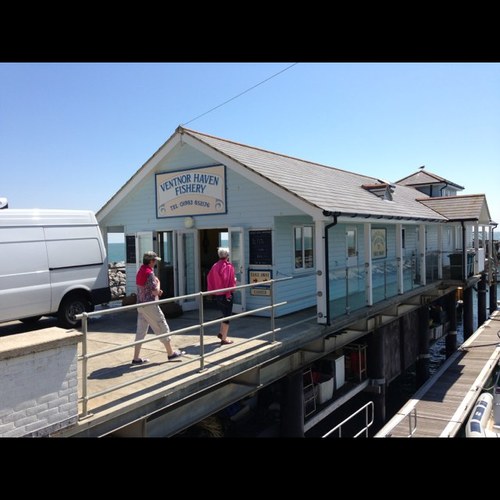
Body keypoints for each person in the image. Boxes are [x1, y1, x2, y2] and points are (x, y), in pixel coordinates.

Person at [132, 251, 185, 364]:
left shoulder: (140, 271)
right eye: (155, 260)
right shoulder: (149, 273)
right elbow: (155, 291)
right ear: (151, 261)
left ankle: (136, 358)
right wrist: (159, 283)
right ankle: (171, 353)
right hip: (150, 305)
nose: (156, 262)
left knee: (141, 331)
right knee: (162, 325)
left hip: (140, 305)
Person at [207, 247, 237, 345]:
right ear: (227, 255)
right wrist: (230, 291)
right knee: (227, 316)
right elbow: (227, 281)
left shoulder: (215, 266)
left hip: (218, 294)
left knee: (224, 314)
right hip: (226, 294)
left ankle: (221, 333)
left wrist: (212, 291)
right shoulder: (228, 266)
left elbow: (209, 278)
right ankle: (224, 338)